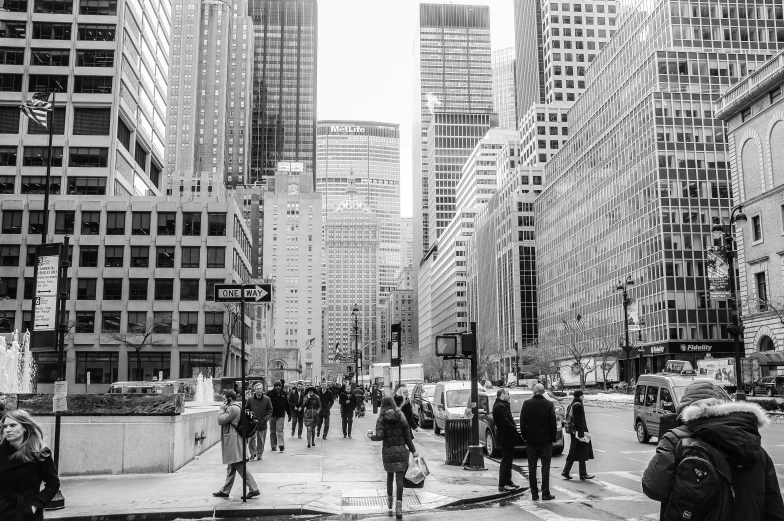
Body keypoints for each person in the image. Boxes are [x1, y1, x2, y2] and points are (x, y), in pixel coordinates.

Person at [642, 381, 784, 520]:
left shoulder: (675, 440)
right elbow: (775, 509)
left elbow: (653, 487)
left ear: (683, 413)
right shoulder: (755, 448)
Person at [0, 409, 60, 521]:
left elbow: (53, 483)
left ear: (24, 428)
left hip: (26, 512)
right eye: (5, 426)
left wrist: (36, 505)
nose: (7, 430)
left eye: (13, 425)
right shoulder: (1, 452)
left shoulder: (39, 452)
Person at [369, 396, 418, 519]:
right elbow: (407, 437)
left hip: (388, 453)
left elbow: (379, 436)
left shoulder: (381, 418)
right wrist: (414, 451)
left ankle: (389, 501)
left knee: (390, 476)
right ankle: (399, 509)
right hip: (401, 452)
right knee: (399, 479)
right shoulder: (401, 416)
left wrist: (371, 436)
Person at [213, 391, 260, 499]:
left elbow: (221, 420)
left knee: (240, 466)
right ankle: (225, 490)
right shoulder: (236, 407)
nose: (223, 401)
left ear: (229, 399)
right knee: (231, 467)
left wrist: (221, 409)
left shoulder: (232, 409)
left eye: (224, 399)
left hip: (234, 442)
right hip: (234, 440)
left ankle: (254, 489)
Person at [520, 383, 557, 500]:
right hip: (546, 441)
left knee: (532, 467)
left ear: (534, 391)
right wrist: (552, 438)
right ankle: (545, 492)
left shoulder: (526, 404)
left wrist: (525, 436)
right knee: (545, 467)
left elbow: (522, 423)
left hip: (531, 441)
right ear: (543, 391)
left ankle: (534, 493)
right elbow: (553, 424)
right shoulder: (549, 404)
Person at [492, 388, 522, 492]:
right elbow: (504, 421)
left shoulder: (501, 405)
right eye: (507, 394)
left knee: (509, 460)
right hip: (506, 436)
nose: (509, 396)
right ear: (502, 395)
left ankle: (508, 481)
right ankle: (503, 484)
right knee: (506, 460)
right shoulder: (500, 406)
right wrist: (513, 427)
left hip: (507, 436)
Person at [561, 390, 594, 480]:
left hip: (573, 431)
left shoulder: (571, 404)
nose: (583, 397)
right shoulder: (578, 405)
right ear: (580, 396)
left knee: (576, 451)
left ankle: (569, 472)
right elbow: (579, 421)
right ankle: (579, 473)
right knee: (579, 451)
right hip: (578, 432)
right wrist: (581, 434)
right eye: (582, 395)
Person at [245, 383, 272, 460]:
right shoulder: (250, 399)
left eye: (260, 389)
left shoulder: (267, 399)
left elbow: (270, 410)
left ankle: (259, 454)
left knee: (261, 440)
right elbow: (247, 409)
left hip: (262, 422)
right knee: (251, 438)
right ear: (255, 390)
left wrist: (265, 419)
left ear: (262, 389)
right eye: (258, 389)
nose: (259, 390)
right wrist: (249, 417)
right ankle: (253, 453)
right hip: (252, 423)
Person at [266, 380, 290, 452]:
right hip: (272, 416)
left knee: (280, 430)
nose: (278, 388)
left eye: (279, 386)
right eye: (276, 386)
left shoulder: (284, 394)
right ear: (274, 387)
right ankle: (273, 445)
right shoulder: (269, 394)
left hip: (281, 416)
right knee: (272, 431)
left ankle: (281, 444)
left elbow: (287, 405)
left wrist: (289, 414)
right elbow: (266, 405)